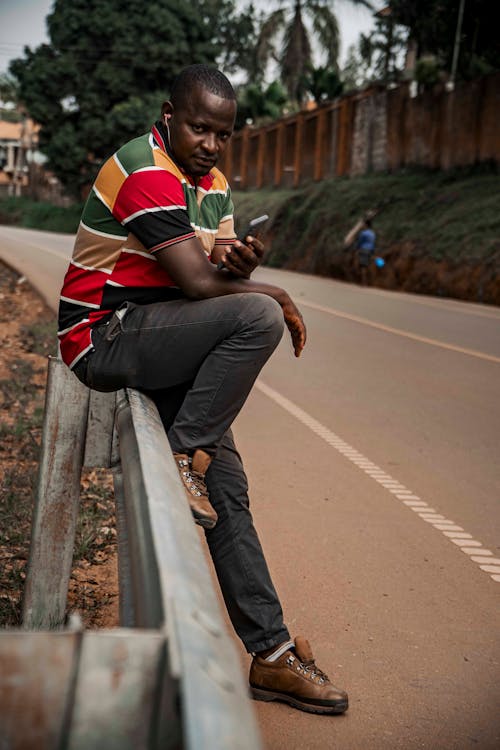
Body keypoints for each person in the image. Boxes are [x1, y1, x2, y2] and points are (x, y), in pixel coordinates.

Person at [57, 64, 348, 715]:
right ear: (168, 115)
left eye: (224, 132)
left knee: (229, 492)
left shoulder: (211, 184)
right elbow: (198, 286)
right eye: (199, 127)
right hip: (104, 337)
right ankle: (187, 453)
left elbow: (214, 274)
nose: (212, 144)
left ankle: (271, 654)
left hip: (164, 337)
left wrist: (243, 264)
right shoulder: (145, 168)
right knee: (260, 317)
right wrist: (266, 290)